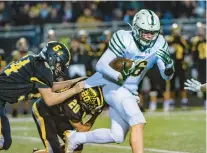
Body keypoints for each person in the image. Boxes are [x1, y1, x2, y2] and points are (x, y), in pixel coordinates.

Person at [65, 9, 174, 153]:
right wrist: (119, 76)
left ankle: (75, 138)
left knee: (117, 135)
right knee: (138, 121)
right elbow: (101, 65)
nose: (149, 36)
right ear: (135, 28)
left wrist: (169, 65)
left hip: (130, 91)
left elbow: (167, 76)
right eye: (145, 32)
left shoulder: (159, 43)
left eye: (152, 32)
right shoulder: (124, 38)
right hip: (112, 85)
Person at [0, 41, 85, 151]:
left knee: (5, 142)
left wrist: (73, 82)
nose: (60, 67)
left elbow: (49, 87)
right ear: (52, 58)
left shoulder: (37, 63)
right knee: (3, 141)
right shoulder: (42, 68)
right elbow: (50, 100)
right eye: (60, 63)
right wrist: (74, 89)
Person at [32, 86, 105, 153]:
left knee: (76, 145)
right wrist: (95, 115)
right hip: (44, 111)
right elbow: (82, 129)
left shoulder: (81, 88)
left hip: (59, 112)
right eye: (91, 105)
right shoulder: (71, 107)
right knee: (52, 151)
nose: (91, 108)